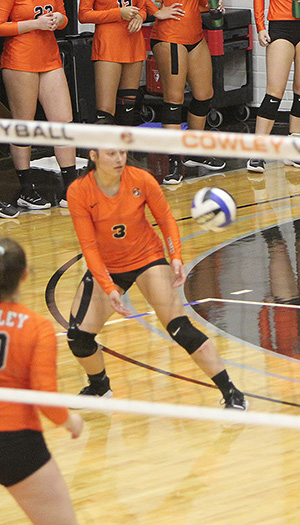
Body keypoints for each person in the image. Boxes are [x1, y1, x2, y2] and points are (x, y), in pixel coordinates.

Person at [66, 148, 247, 409]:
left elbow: (166, 219)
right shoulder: (79, 191)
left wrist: (175, 257)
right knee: (78, 337)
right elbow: (89, 247)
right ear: (93, 156)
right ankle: (99, 387)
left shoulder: (141, 179)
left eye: (122, 152)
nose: (119, 159)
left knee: (179, 328)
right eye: (110, 154)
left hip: (146, 259)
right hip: (108, 266)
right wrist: (109, 287)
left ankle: (232, 392)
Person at [0, 237, 84, 525]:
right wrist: (70, 422)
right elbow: (45, 395)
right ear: (24, 275)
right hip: (16, 444)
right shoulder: (37, 328)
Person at [0, 0, 77, 216]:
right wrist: (34, 24)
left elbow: (64, 18)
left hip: (50, 58)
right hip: (20, 60)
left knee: (64, 122)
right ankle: (26, 189)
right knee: (24, 125)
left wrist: (58, 20)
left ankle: (70, 188)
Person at [246, 0, 300, 173]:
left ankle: (295, 148)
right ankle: (258, 151)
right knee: (274, 92)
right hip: (280, 26)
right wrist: (260, 26)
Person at [150, 0, 226, 184]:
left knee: (204, 94)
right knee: (174, 98)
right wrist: (155, 11)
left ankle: (194, 152)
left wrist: (213, 5)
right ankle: (174, 161)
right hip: (170, 36)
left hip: (195, 35)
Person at [79, 0, 185, 126]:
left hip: (133, 44)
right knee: (104, 114)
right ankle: (104, 146)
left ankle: (122, 146)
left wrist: (142, 16)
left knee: (127, 110)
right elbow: (83, 15)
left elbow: (142, 6)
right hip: (108, 45)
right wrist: (118, 13)